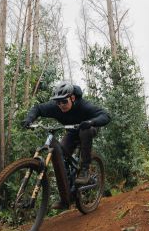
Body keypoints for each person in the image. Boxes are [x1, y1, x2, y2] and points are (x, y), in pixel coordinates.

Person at [21, 81, 110, 210]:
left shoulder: (83, 105)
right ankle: (66, 198)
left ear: (72, 98)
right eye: (58, 102)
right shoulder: (56, 106)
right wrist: (29, 119)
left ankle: (85, 169)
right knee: (59, 155)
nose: (61, 105)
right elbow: (38, 108)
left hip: (88, 127)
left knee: (85, 131)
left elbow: (106, 116)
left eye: (64, 101)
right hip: (72, 132)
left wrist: (91, 122)